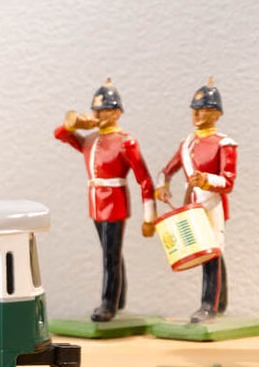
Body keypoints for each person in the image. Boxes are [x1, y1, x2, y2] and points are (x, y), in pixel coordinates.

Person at [53, 79, 154, 324]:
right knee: (111, 253)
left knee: (110, 256)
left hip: (115, 203)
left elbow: (144, 179)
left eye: (106, 110)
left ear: (118, 112)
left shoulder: (125, 141)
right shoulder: (91, 140)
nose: (100, 114)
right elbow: (60, 134)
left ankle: (109, 303)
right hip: (96, 203)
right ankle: (119, 299)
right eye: (97, 110)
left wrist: (149, 216)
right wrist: (76, 121)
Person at [159, 79, 237, 323]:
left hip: (211, 204)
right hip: (192, 206)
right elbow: (167, 169)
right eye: (195, 108)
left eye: (202, 108)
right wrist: (162, 185)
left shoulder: (224, 144)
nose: (196, 113)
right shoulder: (187, 143)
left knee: (210, 254)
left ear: (215, 113)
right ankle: (220, 301)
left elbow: (228, 182)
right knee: (212, 252)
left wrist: (205, 180)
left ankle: (208, 306)